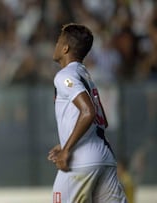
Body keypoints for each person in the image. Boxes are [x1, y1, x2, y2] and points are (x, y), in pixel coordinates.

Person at [47, 23, 127, 203]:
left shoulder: (64, 76)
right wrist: (67, 140)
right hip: (104, 156)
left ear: (65, 48)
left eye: (58, 42)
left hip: (81, 159)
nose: (56, 46)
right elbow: (102, 120)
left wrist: (67, 149)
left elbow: (88, 111)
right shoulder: (86, 76)